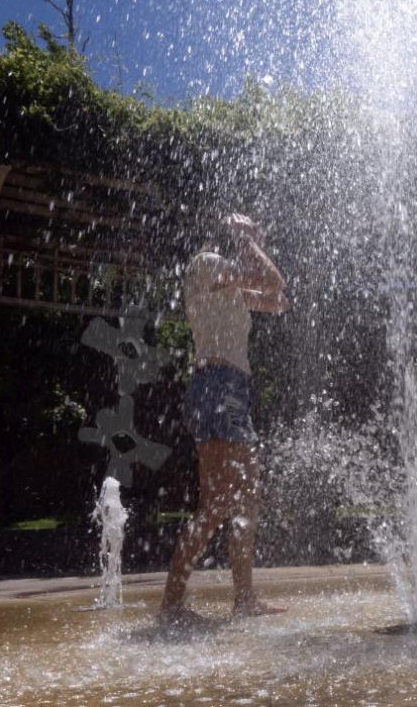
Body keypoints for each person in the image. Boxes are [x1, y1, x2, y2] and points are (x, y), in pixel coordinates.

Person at [159, 212, 290, 624]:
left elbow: (275, 300)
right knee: (215, 505)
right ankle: (173, 605)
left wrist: (253, 246)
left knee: (247, 497)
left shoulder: (228, 285)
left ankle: (244, 599)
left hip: (233, 390)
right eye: (242, 233)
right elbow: (275, 282)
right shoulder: (207, 264)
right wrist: (251, 242)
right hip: (216, 386)